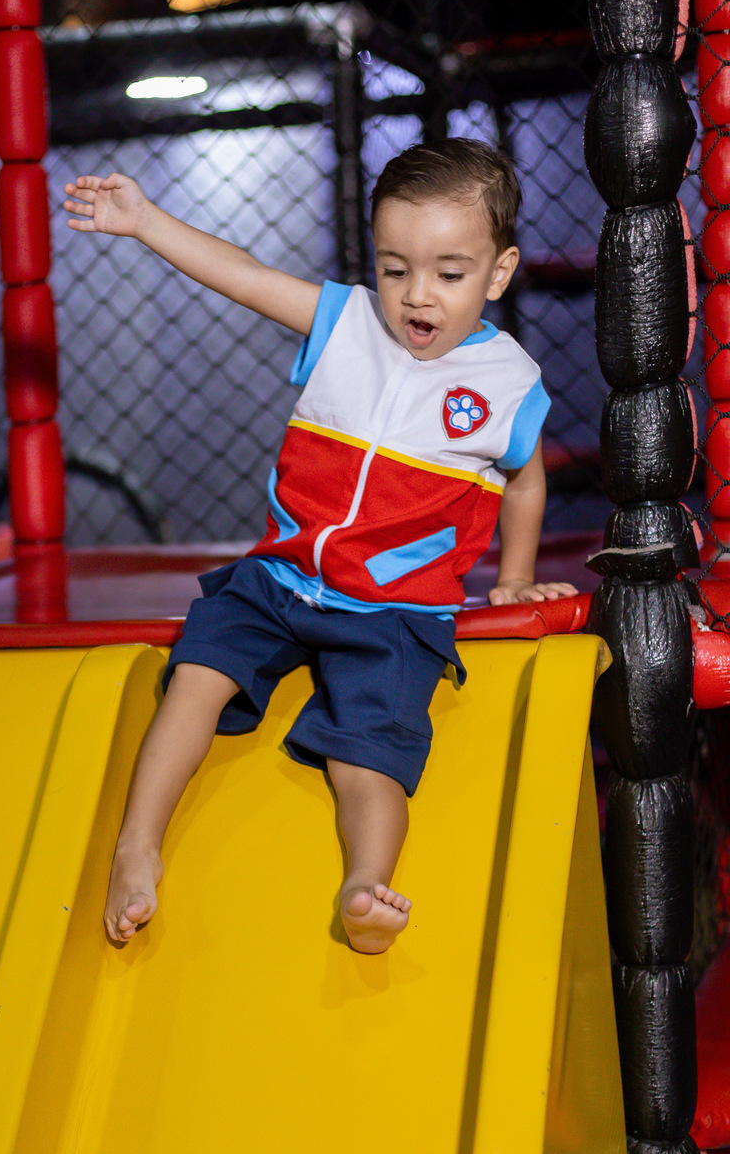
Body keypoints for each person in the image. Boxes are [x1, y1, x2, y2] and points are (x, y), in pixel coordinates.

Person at [63, 138, 576, 955]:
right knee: (195, 678)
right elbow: (244, 275)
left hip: (393, 610)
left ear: (498, 273)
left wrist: (514, 577)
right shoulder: (349, 324)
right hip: (280, 578)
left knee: (368, 755)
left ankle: (365, 885)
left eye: (449, 274)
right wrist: (146, 221)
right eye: (395, 268)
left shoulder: (509, 384)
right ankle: (138, 845)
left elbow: (524, 483)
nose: (417, 295)